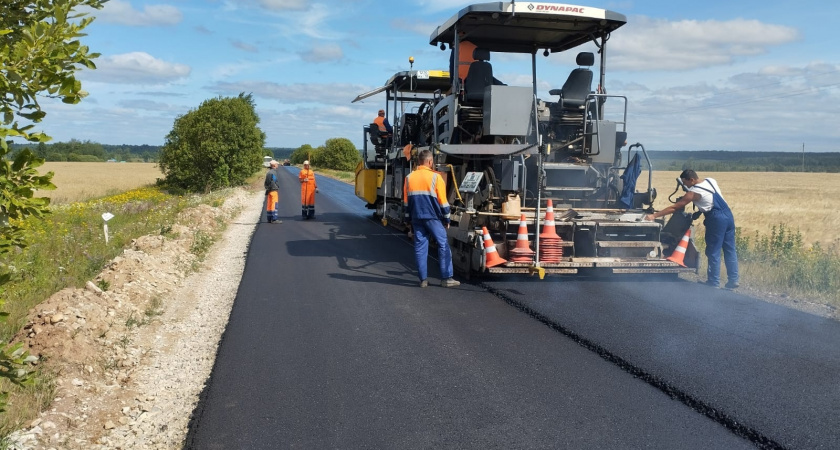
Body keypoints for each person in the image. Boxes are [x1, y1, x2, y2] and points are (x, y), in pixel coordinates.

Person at [645, 170, 739, 289]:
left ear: (692, 180)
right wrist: (699, 212)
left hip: (716, 219)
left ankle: (713, 282)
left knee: (713, 251)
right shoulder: (711, 181)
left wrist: (654, 216)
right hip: (728, 216)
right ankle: (734, 280)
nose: (686, 186)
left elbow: (675, 207)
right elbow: (710, 199)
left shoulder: (694, 192)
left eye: (686, 183)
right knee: (730, 249)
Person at [403, 149, 460, 288]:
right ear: (430, 162)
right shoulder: (436, 177)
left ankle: (422, 280)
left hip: (416, 217)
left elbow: (405, 202)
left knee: (420, 247)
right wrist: (447, 219)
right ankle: (446, 278)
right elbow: (443, 202)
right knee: (442, 244)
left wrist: (407, 220)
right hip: (433, 218)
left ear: (418, 162)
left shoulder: (409, 178)